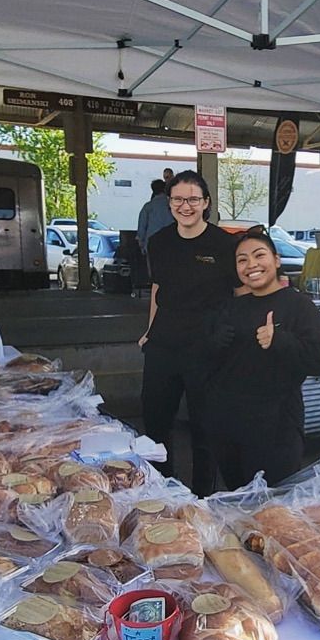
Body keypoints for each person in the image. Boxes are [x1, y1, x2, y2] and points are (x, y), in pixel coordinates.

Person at [205, 228, 320, 489]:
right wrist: (213, 343)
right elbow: (212, 363)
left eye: (259, 255)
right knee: (238, 503)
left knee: (273, 511)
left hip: (275, 430)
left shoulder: (298, 306)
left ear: (276, 260)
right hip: (228, 426)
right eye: (242, 259)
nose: (251, 264)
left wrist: (280, 340)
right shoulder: (232, 307)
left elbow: (319, 360)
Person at [139, 170, 239, 496]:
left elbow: (240, 294)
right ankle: (163, 491)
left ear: (205, 203)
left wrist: (234, 336)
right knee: (155, 425)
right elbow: (158, 288)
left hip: (207, 349)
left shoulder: (224, 245)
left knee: (205, 429)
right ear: (169, 204)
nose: (186, 205)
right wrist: (149, 331)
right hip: (163, 346)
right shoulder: (159, 242)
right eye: (179, 199)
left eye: (193, 199)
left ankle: (202, 498)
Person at [136, 179, 172, 256]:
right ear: (165, 189)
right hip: (170, 242)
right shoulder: (172, 205)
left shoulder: (148, 206)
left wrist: (142, 244)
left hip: (151, 243)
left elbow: (142, 226)